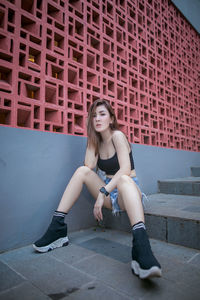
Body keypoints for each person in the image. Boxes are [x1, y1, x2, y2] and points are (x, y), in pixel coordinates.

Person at [33, 99, 162, 279]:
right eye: (94, 116)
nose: (98, 119)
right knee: (81, 171)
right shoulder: (97, 142)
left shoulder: (118, 136)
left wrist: (103, 193)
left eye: (102, 114)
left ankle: (141, 246)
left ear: (111, 118)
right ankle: (57, 229)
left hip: (127, 192)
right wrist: (91, 137)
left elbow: (125, 169)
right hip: (110, 194)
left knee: (124, 179)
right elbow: (89, 166)